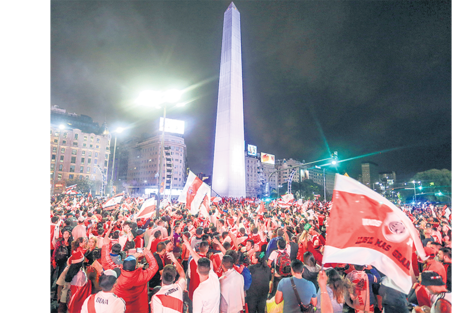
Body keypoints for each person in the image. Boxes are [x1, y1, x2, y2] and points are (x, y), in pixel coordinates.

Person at [101, 230, 159, 313]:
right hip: (138, 309)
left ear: (123, 265)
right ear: (135, 266)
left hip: (121, 308)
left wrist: (106, 245)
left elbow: (106, 262)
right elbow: (154, 267)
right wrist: (147, 253)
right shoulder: (142, 275)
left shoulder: (118, 274)